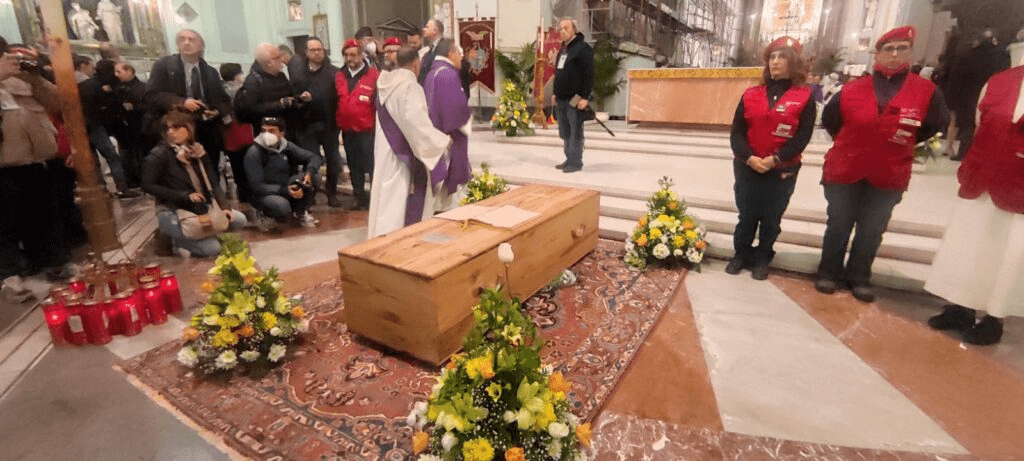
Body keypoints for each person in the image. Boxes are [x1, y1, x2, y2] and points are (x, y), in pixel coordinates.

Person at [815, 26, 949, 302]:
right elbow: (831, 120)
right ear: (878, 53)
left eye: (902, 48)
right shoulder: (852, 88)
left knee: (873, 227)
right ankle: (828, 272)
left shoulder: (925, 90)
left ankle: (859, 276)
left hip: (889, 170)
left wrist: (896, 141)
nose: (895, 54)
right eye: (889, 49)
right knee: (838, 223)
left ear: (910, 52)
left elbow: (935, 124)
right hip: (845, 168)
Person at [924, 60, 1024, 345]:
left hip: (1019, 189)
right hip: (983, 178)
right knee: (970, 248)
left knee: (1008, 254)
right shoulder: (999, 81)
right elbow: (981, 125)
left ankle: (994, 319)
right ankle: (960, 307)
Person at [726, 36, 816, 280]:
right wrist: (749, 158)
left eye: (782, 57)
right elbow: (737, 132)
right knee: (746, 215)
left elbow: (803, 136)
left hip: (781, 169)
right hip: (748, 166)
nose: (776, 62)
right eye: (772, 57)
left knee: (771, 217)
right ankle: (741, 254)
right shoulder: (752, 94)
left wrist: (775, 159)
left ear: (794, 62)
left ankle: (763, 256)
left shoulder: (804, 96)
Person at [1, 39, 74, 299]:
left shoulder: (20, 78)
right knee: (6, 224)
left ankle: (53, 264)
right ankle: (11, 276)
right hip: (4, 165)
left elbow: (57, 104)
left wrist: (35, 77)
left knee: (44, 214)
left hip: (36, 160)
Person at [368, 46, 451, 237]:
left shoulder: (384, 83)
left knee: (386, 200)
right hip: (402, 157)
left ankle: (380, 241)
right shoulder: (409, 87)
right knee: (398, 202)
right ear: (416, 64)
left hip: (386, 151)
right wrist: (441, 142)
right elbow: (417, 124)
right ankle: (396, 246)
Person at [142, 108, 246, 258]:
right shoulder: (159, 154)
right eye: (168, 128)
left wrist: (224, 206)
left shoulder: (197, 151)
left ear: (189, 129)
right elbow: (147, 185)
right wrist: (184, 195)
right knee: (212, 248)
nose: (171, 132)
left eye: (176, 127)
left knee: (238, 219)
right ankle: (175, 239)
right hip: (174, 210)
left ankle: (202, 234)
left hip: (200, 208)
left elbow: (213, 182)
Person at [145, 29, 232, 168]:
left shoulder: (210, 72)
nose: (186, 43)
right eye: (182, 39)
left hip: (206, 130)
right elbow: (152, 94)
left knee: (209, 170)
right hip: (177, 128)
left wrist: (216, 111)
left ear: (201, 45)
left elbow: (223, 100)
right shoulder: (164, 66)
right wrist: (182, 102)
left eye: (191, 40)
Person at [244, 117, 322, 230]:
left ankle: (300, 212)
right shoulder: (254, 153)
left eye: (271, 131)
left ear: (281, 133)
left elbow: (313, 157)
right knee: (282, 206)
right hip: (264, 193)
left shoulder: (287, 146)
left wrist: (308, 173)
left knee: (315, 177)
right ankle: (264, 213)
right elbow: (257, 186)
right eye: (264, 130)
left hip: (286, 185)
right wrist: (285, 190)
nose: (266, 134)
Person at [291, 37, 343, 207]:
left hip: (329, 124)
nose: (318, 52)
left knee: (333, 159)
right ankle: (311, 192)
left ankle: (332, 193)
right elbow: (293, 97)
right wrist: (302, 99)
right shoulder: (298, 73)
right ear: (306, 53)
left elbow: (338, 96)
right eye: (313, 50)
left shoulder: (334, 72)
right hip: (308, 125)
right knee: (312, 160)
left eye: (320, 49)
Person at [423, 38, 473, 211]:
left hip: (436, 134)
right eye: (459, 53)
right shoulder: (447, 75)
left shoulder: (433, 73)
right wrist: (467, 118)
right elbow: (456, 110)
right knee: (450, 187)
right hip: (448, 137)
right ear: (450, 53)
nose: (461, 57)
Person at [946, 29, 1010, 161]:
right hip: (992, 94)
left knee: (967, 125)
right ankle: (980, 154)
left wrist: (952, 98)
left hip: (967, 96)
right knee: (986, 125)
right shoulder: (1002, 57)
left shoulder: (968, 56)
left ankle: (963, 152)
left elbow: (956, 78)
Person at [335, 39, 380, 210]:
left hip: (367, 130)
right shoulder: (340, 76)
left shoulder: (373, 75)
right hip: (348, 130)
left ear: (361, 55)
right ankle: (359, 197)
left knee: (371, 166)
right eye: (346, 55)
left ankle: (376, 198)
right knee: (354, 166)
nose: (349, 58)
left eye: (352, 54)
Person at [551, 17, 594, 173]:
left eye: (566, 28)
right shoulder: (563, 50)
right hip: (561, 97)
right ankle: (569, 157)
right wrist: (555, 93)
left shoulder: (583, 49)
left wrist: (584, 97)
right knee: (565, 130)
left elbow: (589, 75)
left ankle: (576, 162)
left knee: (575, 129)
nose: (562, 31)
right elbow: (558, 73)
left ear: (574, 30)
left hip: (575, 97)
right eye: (560, 28)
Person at [235, 43, 300, 139]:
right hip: (267, 135)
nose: (282, 60)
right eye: (278, 57)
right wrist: (279, 105)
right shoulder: (253, 81)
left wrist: (298, 98)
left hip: (288, 131)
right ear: (269, 63)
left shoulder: (280, 76)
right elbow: (251, 110)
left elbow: (289, 94)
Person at [112, 62, 147, 189]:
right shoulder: (116, 89)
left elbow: (150, 106)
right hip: (125, 129)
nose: (116, 75)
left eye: (119, 72)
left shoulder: (142, 88)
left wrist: (134, 107)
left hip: (142, 127)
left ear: (129, 71)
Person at [417, 19, 444, 84]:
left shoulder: (443, 47)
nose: (424, 29)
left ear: (435, 30)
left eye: (427, 27)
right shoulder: (432, 49)